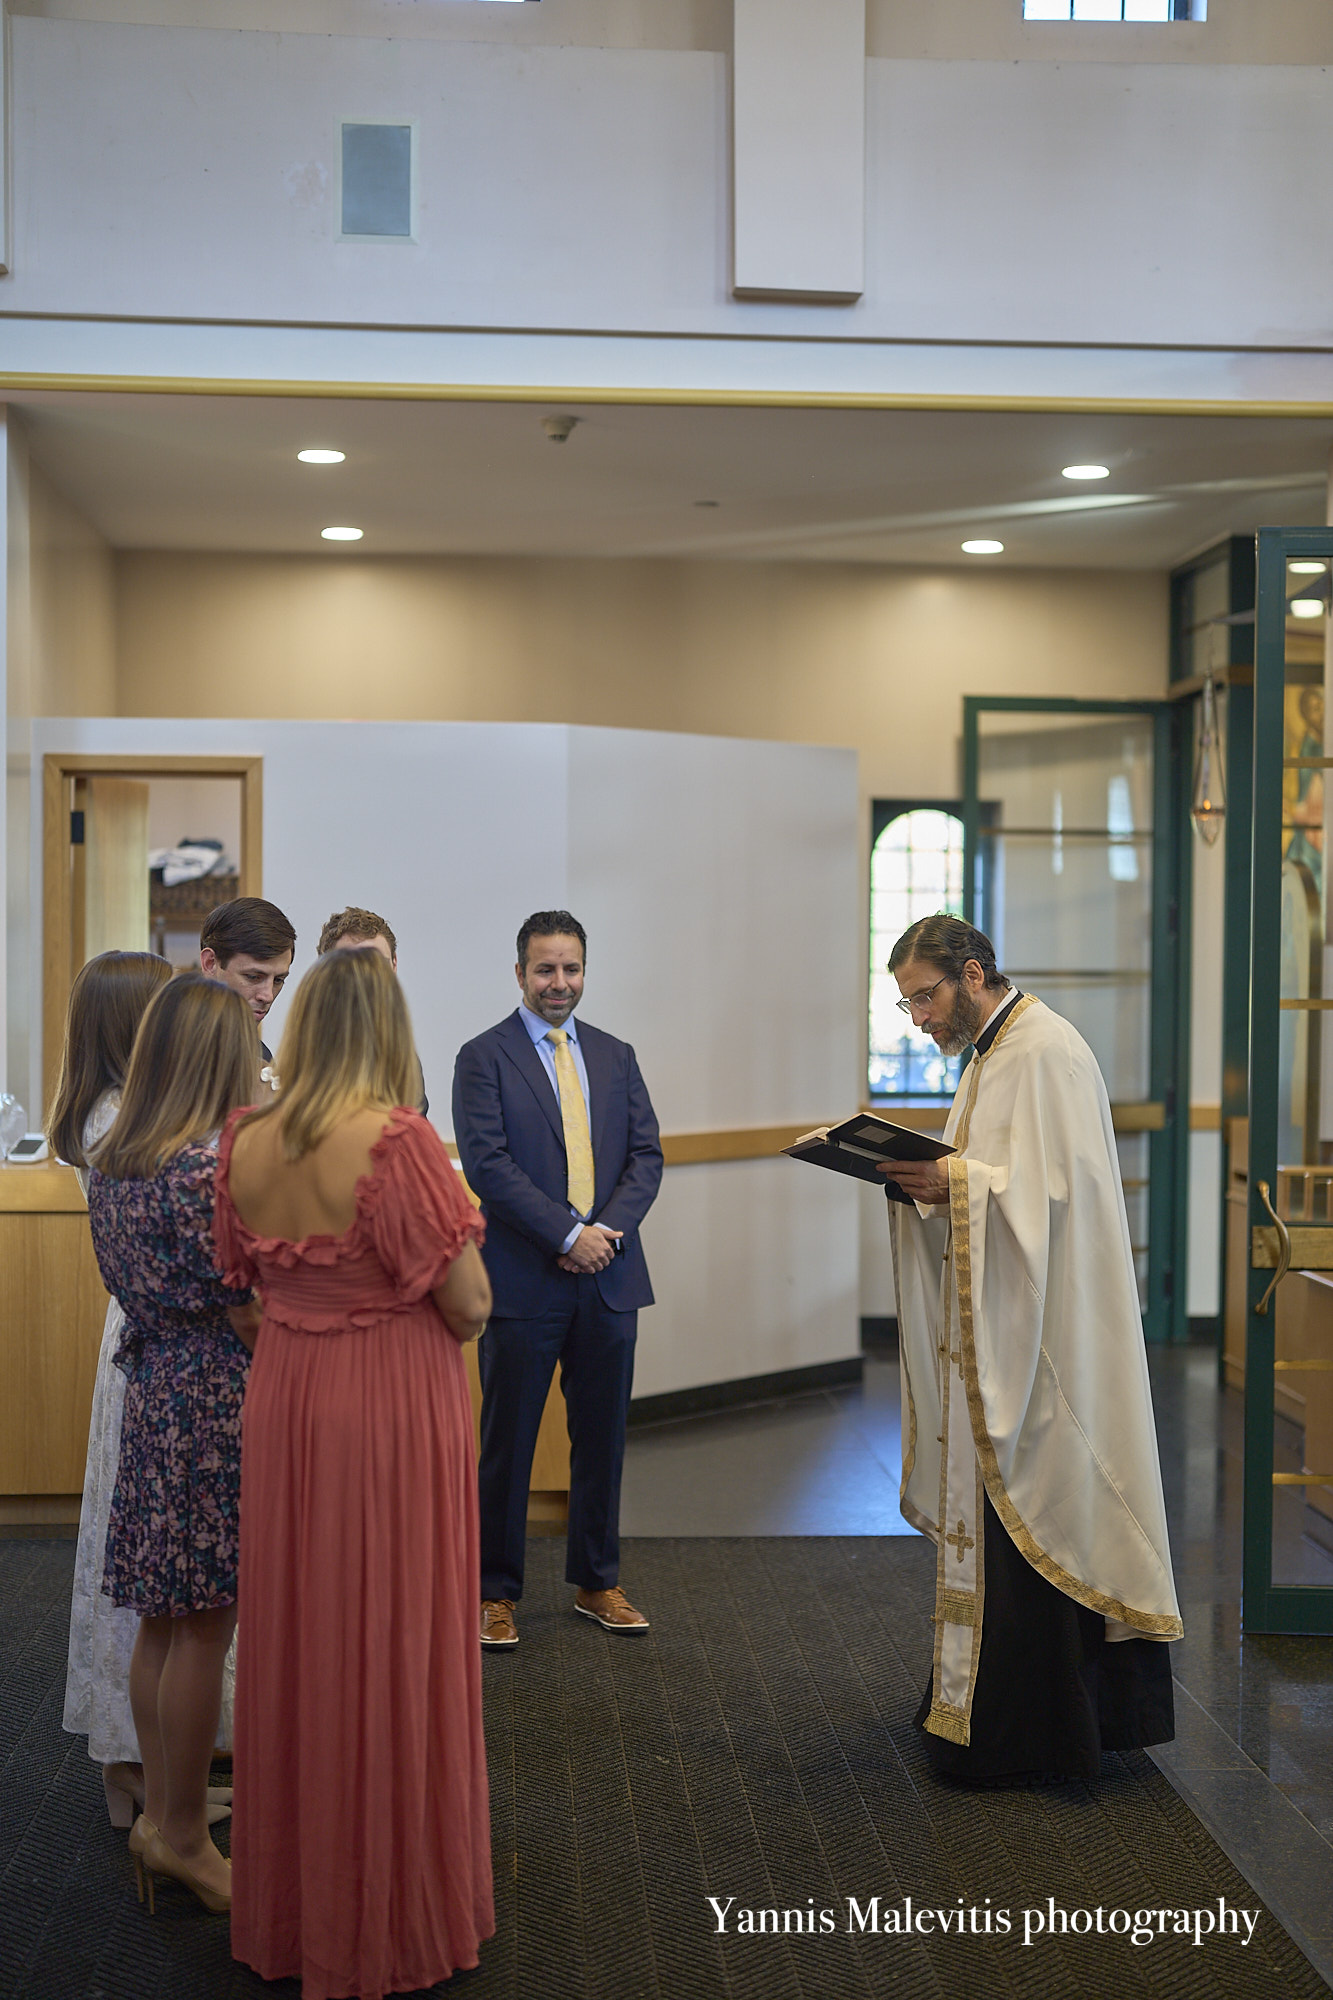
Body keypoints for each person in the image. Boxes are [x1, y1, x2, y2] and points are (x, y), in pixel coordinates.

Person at [215, 949, 493, 1999]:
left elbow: (241, 1288)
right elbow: (467, 1304)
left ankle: (297, 1906)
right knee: (391, 1630)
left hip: (286, 1397)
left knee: (299, 1632)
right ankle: (386, 1913)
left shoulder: (245, 1140)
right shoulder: (397, 1139)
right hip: (385, 1401)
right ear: (387, 1026)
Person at [885, 914, 1182, 1786]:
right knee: (1002, 1526)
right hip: (1006, 1327)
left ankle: (1040, 1734)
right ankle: (988, 1718)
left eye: (925, 998)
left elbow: (1053, 1199)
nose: (920, 1020)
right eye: (906, 1005)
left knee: (1040, 1515)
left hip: (1050, 1343)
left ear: (972, 973)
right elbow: (998, 1180)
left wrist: (954, 1182)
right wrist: (936, 1184)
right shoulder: (990, 1053)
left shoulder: (1042, 1051)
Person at [87, 974, 262, 1913]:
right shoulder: (201, 1175)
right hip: (211, 1406)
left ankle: (161, 1818)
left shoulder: (117, 1160)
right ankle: (189, 1837)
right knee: (204, 1625)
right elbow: (250, 1320)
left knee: (163, 1618)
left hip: (156, 1395)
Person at [452, 909, 663, 1647]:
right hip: (522, 1280)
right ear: (520, 974)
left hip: (609, 1278)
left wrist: (602, 1235)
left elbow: (646, 1158)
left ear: (584, 971)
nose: (559, 982)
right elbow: (488, 1167)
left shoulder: (615, 1055)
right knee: (506, 1442)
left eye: (570, 968)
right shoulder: (483, 1057)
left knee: (601, 1439)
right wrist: (567, 1234)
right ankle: (493, 1593)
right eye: (545, 969)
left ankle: (597, 1582)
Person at [316, 903, 428, 1111]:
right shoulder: (305, 1052)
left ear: (394, 966)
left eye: (376, 965)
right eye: (352, 966)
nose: (366, 979)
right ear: (324, 970)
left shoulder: (404, 1055)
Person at [199, 895, 296, 1063]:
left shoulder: (262, 1056)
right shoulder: (170, 1046)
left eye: (278, 980)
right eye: (253, 977)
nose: (267, 996)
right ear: (210, 963)